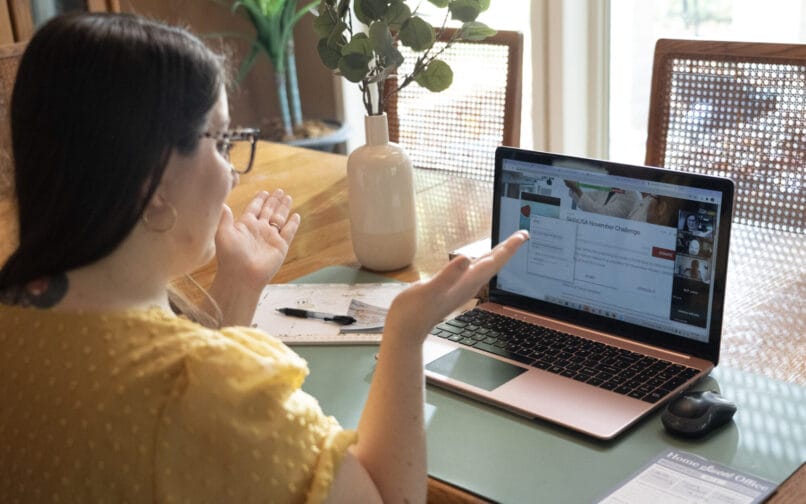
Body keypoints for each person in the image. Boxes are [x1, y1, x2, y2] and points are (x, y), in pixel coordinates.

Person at [0, 13, 528, 503]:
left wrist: (239, 285)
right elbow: (386, 497)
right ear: (154, 183)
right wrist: (406, 332)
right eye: (222, 141)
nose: (233, 173)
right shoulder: (213, 387)